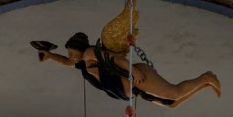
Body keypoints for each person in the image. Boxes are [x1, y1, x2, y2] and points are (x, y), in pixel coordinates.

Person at [31, 32, 220, 108]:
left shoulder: (89, 53)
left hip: (135, 77)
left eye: (72, 52)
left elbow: (115, 58)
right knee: (172, 104)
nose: (71, 57)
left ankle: (206, 76)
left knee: (174, 93)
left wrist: (134, 71)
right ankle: (202, 84)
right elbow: (66, 62)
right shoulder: (82, 62)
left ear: (79, 48)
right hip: (132, 88)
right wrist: (48, 55)